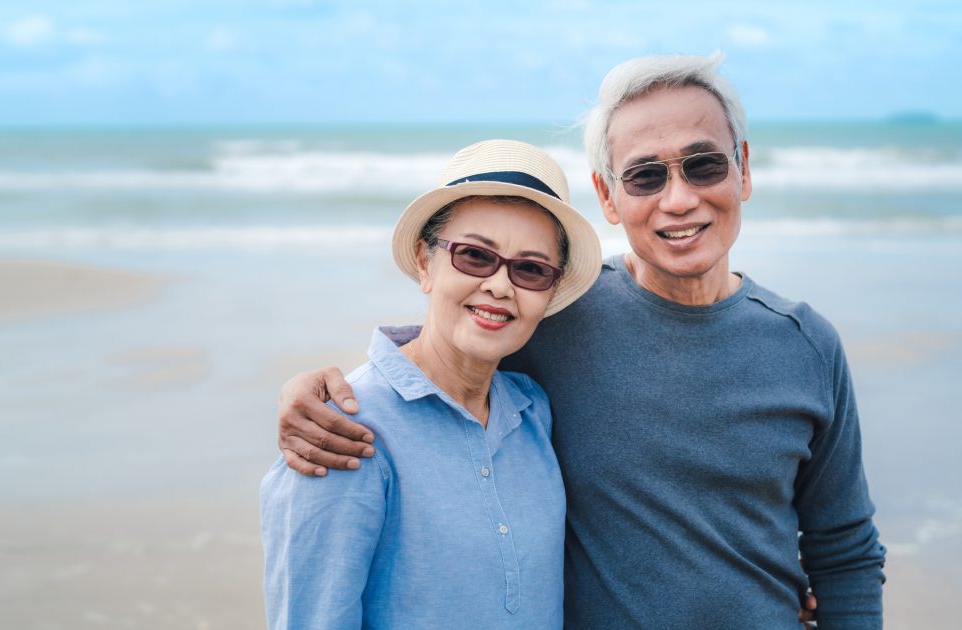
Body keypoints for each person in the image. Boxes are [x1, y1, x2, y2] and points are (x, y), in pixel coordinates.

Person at [276, 54, 885, 628]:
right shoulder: (556, 318)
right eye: (645, 176)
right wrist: (313, 394)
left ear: (744, 169)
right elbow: (448, 342)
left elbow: (846, 551)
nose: (680, 199)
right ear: (608, 196)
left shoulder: (806, 346)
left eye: (704, 165)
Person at [260, 140, 604, 629]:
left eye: (530, 269)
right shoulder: (338, 432)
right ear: (425, 262)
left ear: (550, 292)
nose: (501, 286)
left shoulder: (534, 411)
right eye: (475, 256)